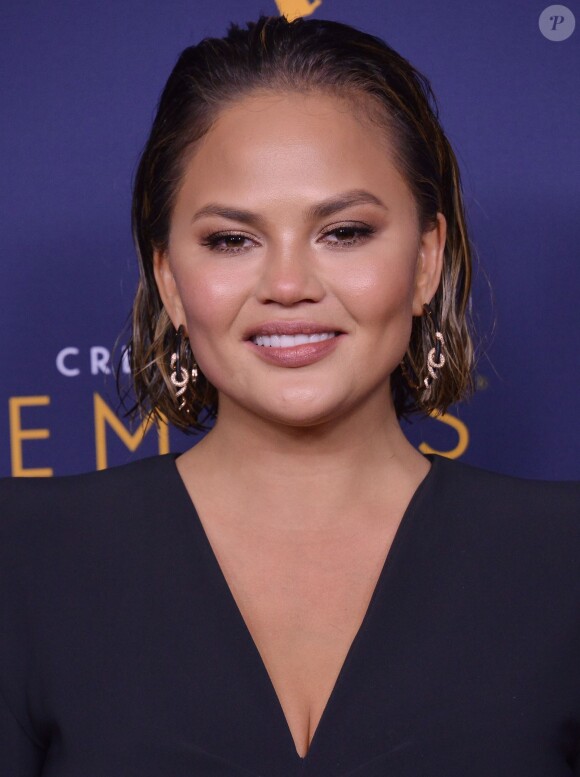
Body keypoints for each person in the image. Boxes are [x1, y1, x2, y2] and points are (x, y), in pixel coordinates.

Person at [1, 14, 578, 777]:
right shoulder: (23, 557)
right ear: (169, 279)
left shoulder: (563, 559)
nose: (287, 285)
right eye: (231, 240)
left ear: (426, 261)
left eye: (344, 231)